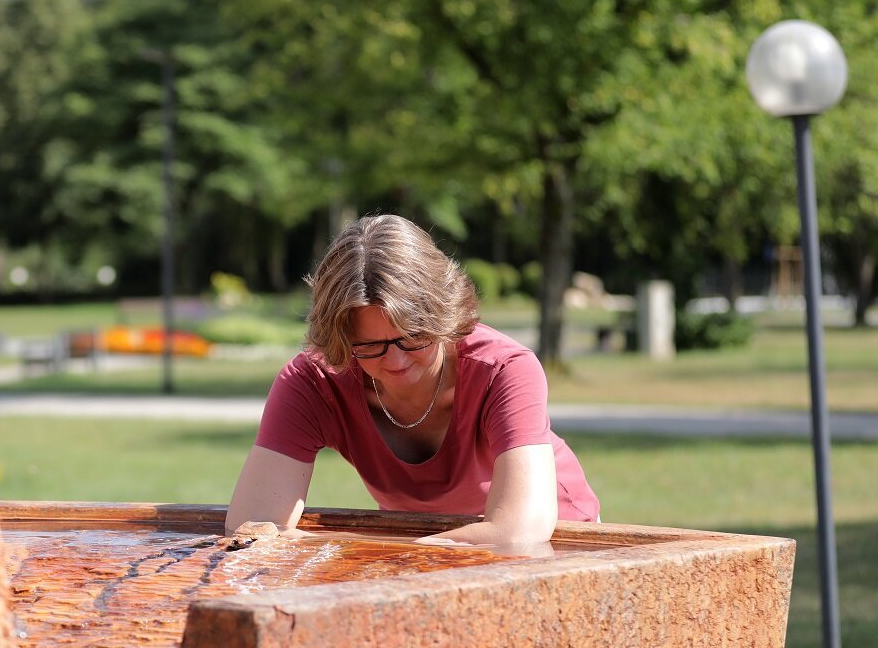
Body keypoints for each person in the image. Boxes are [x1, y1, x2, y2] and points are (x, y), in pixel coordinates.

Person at [227, 214, 599, 546]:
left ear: (442, 316)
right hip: (425, 543)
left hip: (558, 537)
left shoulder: (503, 368)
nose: (395, 360)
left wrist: (379, 560)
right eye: (369, 346)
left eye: (413, 336)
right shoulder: (314, 380)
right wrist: (390, 559)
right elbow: (254, 526)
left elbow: (517, 533)